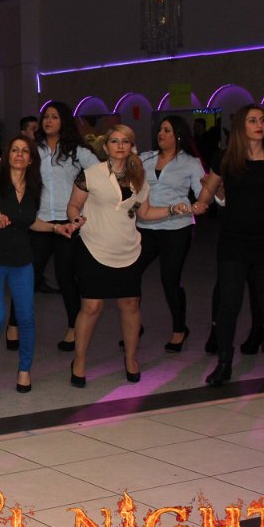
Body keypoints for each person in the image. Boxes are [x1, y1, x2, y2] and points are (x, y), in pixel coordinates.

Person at [66, 125, 191, 387]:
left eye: (125, 141)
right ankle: (79, 360)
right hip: (93, 247)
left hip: (127, 249)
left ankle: (131, 358)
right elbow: (74, 205)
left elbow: (144, 213)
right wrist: (75, 219)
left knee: (131, 305)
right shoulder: (90, 174)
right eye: (114, 141)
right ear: (106, 147)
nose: (120, 145)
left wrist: (173, 210)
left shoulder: (139, 179)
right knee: (92, 306)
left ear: (131, 146)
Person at [0, 135, 79, 398]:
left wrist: (55, 228)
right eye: (15, 150)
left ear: (31, 159)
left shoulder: (33, 189)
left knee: (27, 318)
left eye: (24, 151)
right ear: (8, 156)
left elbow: (30, 221)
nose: (19, 154)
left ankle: (25, 370)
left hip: (21, 261)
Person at [193, 104, 264, 387]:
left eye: (263, 120)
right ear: (240, 127)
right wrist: (200, 203)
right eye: (252, 120)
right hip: (234, 239)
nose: (259, 125)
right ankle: (224, 364)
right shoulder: (225, 158)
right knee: (228, 304)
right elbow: (207, 193)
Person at [7, 102, 99, 350]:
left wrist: (86, 206)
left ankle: (73, 327)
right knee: (28, 274)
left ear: (64, 121)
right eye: (46, 116)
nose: (48, 120)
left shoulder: (77, 151)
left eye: (54, 117)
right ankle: (13, 324)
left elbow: (100, 174)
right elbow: (14, 170)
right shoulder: (33, 149)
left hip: (68, 222)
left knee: (65, 276)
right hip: (39, 221)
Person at [135, 116, 204, 352]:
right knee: (131, 274)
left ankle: (179, 329)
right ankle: (133, 324)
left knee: (170, 279)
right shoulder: (146, 158)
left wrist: (203, 202)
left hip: (177, 228)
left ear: (178, 135)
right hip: (146, 226)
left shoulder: (191, 163)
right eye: (160, 130)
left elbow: (202, 193)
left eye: (167, 130)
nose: (161, 134)